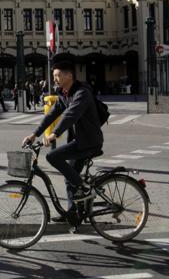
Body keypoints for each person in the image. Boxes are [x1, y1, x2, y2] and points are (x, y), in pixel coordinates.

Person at [22, 61, 104, 220]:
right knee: (70, 177)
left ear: (69, 75)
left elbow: (71, 115)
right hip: (80, 141)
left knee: (52, 156)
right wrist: (34, 134)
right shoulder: (64, 94)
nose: (55, 79)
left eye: (58, 75)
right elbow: (51, 115)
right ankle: (73, 214)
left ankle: (84, 188)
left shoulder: (82, 93)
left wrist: (55, 133)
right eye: (54, 76)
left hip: (89, 142)